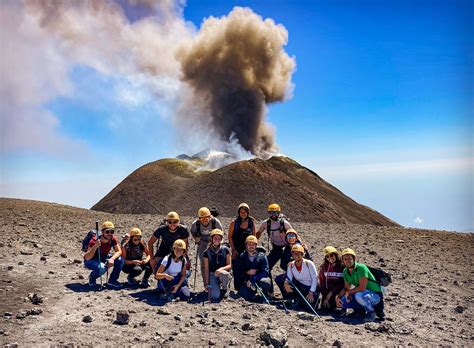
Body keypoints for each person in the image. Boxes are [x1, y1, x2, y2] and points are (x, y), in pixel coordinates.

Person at [335, 248, 385, 322]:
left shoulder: (361, 268)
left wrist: (349, 292)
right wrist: (338, 297)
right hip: (363, 293)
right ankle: (360, 310)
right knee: (343, 302)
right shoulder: (345, 271)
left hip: (375, 294)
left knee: (359, 295)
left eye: (350, 258)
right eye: (345, 259)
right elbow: (346, 287)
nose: (347, 261)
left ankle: (371, 312)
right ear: (343, 260)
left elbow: (362, 287)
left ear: (354, 259)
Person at [83, 221, 124, 288]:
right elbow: (87, 257)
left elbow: (119, 251)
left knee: (120, 260)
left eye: (112, 232)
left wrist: (112, 259)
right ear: (102, 232)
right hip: (91, 260)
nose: (110, 234)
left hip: (103, 257)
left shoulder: (112, 239)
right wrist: (95, 246)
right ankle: (92, 277)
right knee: (102, 268)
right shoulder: (94, 240)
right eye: (107, 232)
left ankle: (112, 281)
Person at [190, 207, 223, 287]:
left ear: (210, 216)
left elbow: (221, 233)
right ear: (199, 218)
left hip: (214, 242)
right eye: (202, 218)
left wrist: (218, 243)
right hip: (202, 243)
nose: (205, 220)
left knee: (217, 262)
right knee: (203, 264)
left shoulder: (215, 222)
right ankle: (206, 284)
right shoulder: (196, 224)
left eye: (207, 217)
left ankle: (218, 283)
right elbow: (192, 232)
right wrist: (196, 239)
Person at [228, 203, 257, 290]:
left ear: (248, 212)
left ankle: (246, 288)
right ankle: (237, 288)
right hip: (236, 250)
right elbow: (230, 237)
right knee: (237, 269)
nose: (243, 214)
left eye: (245, 212)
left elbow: (254, 237)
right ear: (239, 212)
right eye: (241, 212)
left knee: (247, 269)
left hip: (248, 251)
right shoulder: (234, 223)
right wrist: (233, 249)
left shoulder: (251, 223)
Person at [256, 203, 292, 271]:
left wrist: (301, 244)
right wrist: (252, 242)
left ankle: (289, 279)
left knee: (285, 265)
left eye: (275, 213)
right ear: (268, 213)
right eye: (271, 213)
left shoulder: (284, 223)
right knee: (267, 265)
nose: (273, 215)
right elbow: (258, 233)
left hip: (287, 247)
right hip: (276, 247)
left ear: (279, 213)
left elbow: (293, 234)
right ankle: (267, 280)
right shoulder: (265, 223)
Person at [282, 245, 319, 312]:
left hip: (311, 288)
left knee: (309, 309)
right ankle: (295, 299)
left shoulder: (309, 263)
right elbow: (289, 277)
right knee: (287, 284)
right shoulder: (291, 265)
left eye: (298, 253)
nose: (296, 255)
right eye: (294, 253)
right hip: (301, 287)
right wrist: (286, 283)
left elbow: (315, 279)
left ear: (302, 254)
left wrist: (311, 292)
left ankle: (315, 299)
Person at [275, 229, 311, 294]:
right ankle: (287, 296)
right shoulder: (285, 249)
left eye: (292, 236)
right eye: (289, 236)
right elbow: (282, 264)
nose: (291, 238)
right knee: (278, 279)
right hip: (290, 272)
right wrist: (290, 269)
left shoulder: (302, 247)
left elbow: (309, 260)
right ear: (286, 238)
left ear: (296, 237)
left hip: (303, 273)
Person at [236, 235, 272, 301]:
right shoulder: (242, 256)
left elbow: (265, 272)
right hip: (248, 281)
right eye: (249, 244)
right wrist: (247, 272)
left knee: (265, 282)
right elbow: (239, 271)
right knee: (245, 295)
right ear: (246, 245)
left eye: (253, 244)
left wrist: (253, 278)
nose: (251, 246)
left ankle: (265, 293)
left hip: (259, 279)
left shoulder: (262, 256)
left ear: (256, 245)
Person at [203, 229, 231, 300]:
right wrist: (206, 283)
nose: (217, 240)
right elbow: (206, 269)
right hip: (213, 274)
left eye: (219, 238)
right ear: (211, 238)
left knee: (225, 275)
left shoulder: (226, 250)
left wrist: (221, 269)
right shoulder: (207, 252)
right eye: (215, 238)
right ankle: (217, 286)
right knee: (215, 296)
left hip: (223, 273)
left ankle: (225, 289)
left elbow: (230, 265)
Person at [318, 246, 344, 311]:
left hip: (339, 292)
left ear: (336, 255)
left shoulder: (343, 266)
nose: (329, 258)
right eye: (327, 256)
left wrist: (330, 294)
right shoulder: (323, 267)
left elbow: (343, 283)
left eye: (331, 255)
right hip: (327, 292)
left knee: (338, 309)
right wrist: (325, 296)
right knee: (325, 308)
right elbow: (322, 282)